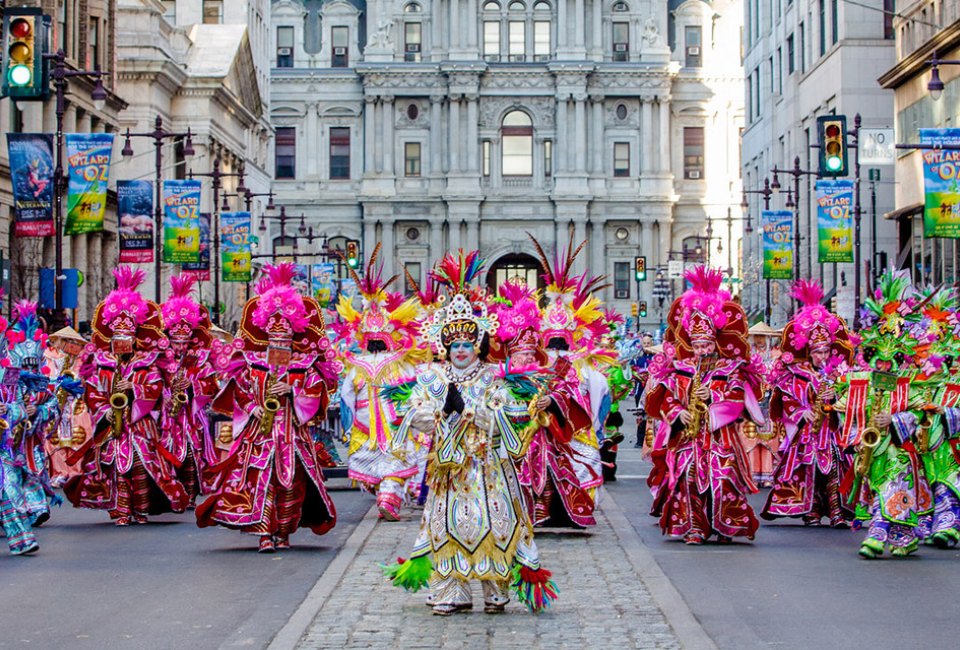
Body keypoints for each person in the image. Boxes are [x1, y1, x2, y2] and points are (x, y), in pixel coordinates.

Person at [382, 251, 557, 616]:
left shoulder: (495, 377)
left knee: (495, 524)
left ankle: (495, 590)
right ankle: (452, 591)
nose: (461, 350)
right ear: (445, 345)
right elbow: (409, 410)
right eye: (454, 344)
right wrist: (438, 412)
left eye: (467, 343)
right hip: (449, 471)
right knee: (446, 526)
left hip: (489, 469)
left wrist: (474, 411)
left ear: (478, 344)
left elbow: (510, 416)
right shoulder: (433, 377)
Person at [196, 263, 338, 552]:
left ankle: (283, 533)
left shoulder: (303, 366)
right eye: (274, 335)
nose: (279, 339)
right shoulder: (254, 365)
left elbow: (316, 393)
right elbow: (240, 392)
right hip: (259, 437)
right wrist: (252, 408)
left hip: (292, 437)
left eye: (284, 335)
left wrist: (292, 391)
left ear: (293, 334)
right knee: (259, 483)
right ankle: (264, 534)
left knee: (292, 486)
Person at [645, 266, 762, 545]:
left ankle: (725, 526)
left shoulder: (728, 368)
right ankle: (696, 527)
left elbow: (736, 398)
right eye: (696, 345)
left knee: (723, 479)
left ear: (715, 342)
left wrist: (713, 400)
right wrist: (678, 413)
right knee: (688, 480)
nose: (701, 350)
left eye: (706, 344)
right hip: (688, 437)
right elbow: (669, 396)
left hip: (720, 438)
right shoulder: (682, 368)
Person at [64, 267, 189, 525]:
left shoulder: (146, 360)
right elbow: (93, 390)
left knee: (142, 465)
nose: (123, 338)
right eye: (118, 334)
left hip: (140, 422)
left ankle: (141, 509)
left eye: (128, 334)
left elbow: (155, 385)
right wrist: (104, 410)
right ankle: (121, 510)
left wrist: (135, 390)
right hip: (112, 422)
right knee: (114, 466)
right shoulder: (100, 360)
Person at [839, 270, 932, 558]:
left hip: (899, 449)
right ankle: (904, 537)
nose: (885, 365)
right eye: (880, 359)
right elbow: (842, 404)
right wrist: (839, 401)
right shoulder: (861, 381)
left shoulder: (911, 383)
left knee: (894, 484)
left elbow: (924, 414)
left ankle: (877, 532)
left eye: (891, 360)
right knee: (881, 487)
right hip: (870, 450)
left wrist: (894, 419)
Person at [493, 279, 596, 528]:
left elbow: (563, 391)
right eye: (523, 353)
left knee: (547, 468)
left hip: (540, 436)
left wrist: (550, 400)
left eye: (530, 352)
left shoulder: (542, 374)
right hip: (508, 436)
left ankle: (542, 510)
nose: (529, 356)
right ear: (512, 355)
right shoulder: (497, 375)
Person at [337, 244, 428, 520]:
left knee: (373, 458)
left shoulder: (355, 366)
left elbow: (346, 400)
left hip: (368, 420)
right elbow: (415, 390)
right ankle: (389, 495)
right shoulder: (401, 362)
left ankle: (386, 495)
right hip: (393, 420)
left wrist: (347, 424)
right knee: (395, 460)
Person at [762, 281, 856, 527]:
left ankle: (836, 511)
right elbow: (784, 396)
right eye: (817, 352)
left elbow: (852, 399)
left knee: (834, 467)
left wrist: (837, 397)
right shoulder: (798, 373)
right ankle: (811, 508)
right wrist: (801, 411)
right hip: (806, 433)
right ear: (808, 350)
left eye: (825, 351)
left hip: (832, 430)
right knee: (808, 468)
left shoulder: (839, 373)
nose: (822, 356)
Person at [160, 274, 218, 506]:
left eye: (184, 342)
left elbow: (211, 384)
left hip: (191, 416)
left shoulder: (199, 357)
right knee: (165, 451)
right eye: (176, 341)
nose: (181, 346)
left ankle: (191, 495)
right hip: (165, 415)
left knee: (193, 452)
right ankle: (170, 494)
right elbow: (150, 381)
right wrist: (164, 393)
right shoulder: (158, 359)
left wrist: (192, 386)